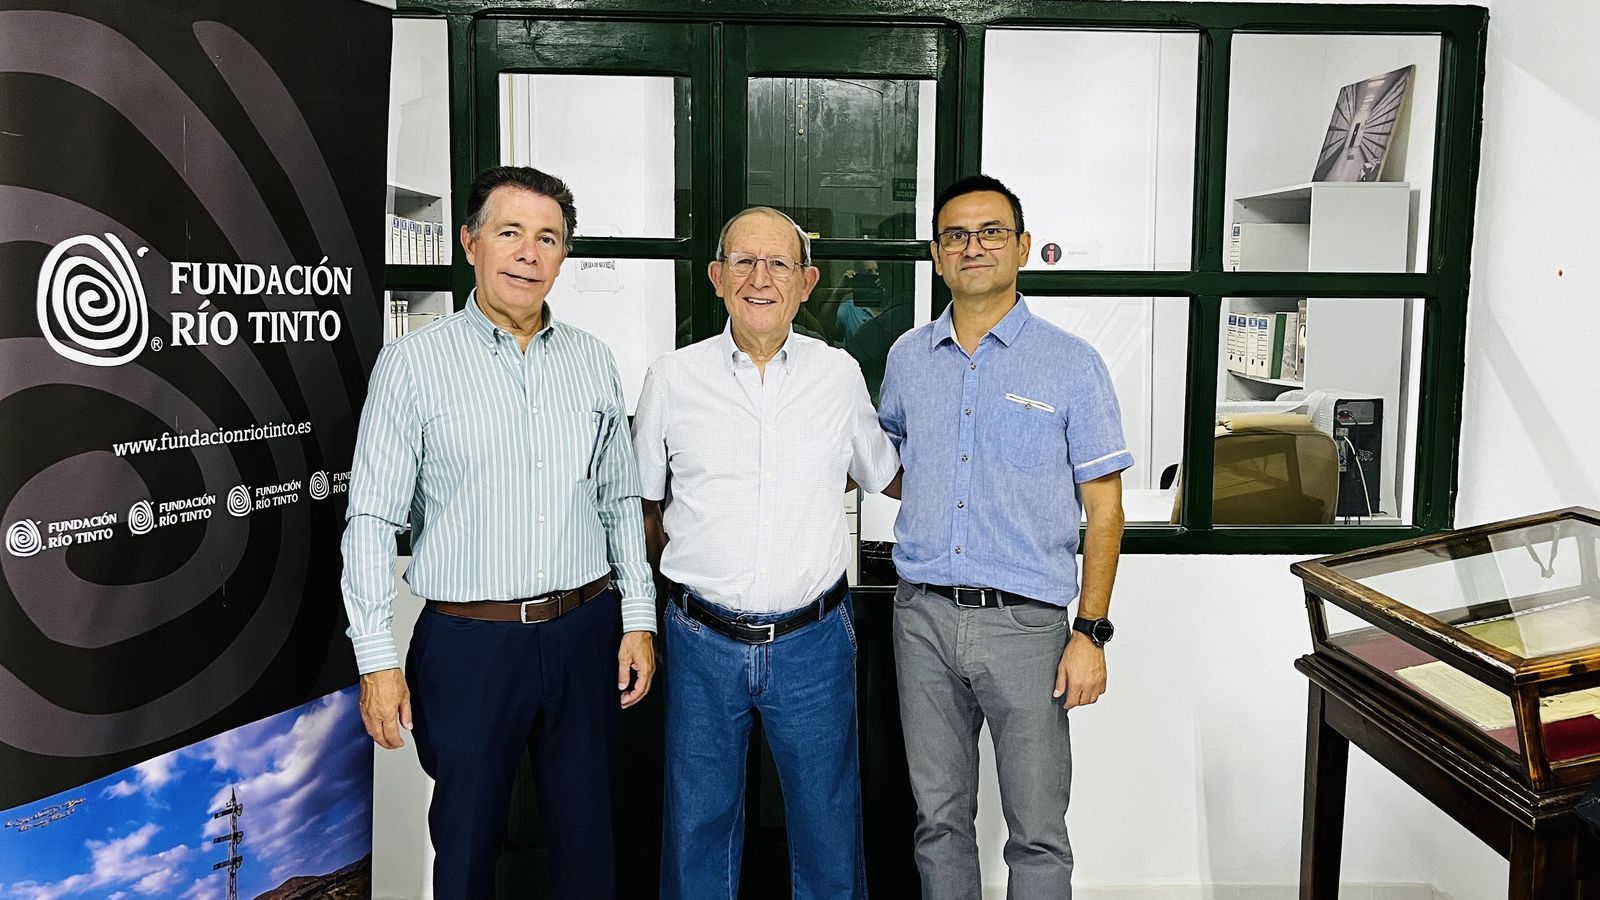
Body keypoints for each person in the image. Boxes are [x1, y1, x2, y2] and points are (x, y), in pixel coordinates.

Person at [341, 166, 656, 899]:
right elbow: (371, 518)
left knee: (589, 848)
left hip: (585, 635)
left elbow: (617, 501)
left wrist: (636, 620)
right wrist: (376, 658)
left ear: (562, 258)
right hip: (468, 647)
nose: (528, 252)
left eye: (547, 238)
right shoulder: (413, 365)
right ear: (471, 242)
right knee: (467, 850)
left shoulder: (591, 362)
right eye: (510, 232)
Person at [632, 206, 900, 900]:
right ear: (717, 278)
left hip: (814, 640)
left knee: (827, 827)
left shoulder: (838, 377)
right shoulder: (672, 377)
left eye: (778, 263)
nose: (761, 278)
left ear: (806, 282)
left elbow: (882, 471)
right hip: (700, 639)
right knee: (697, 826)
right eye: (743, 262)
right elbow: (646, 507)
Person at [878, 174, 1131, 899]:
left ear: (1021, 247)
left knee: (1038, 830)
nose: (973, 246)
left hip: (1028, 629)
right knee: (938, 821)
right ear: (935, 253)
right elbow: (897, 464)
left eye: (991, 232)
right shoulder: (907, 358)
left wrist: (1091, 631)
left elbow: (1104, 509)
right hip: (921, 619)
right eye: (956, 235)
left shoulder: (1070, 363)